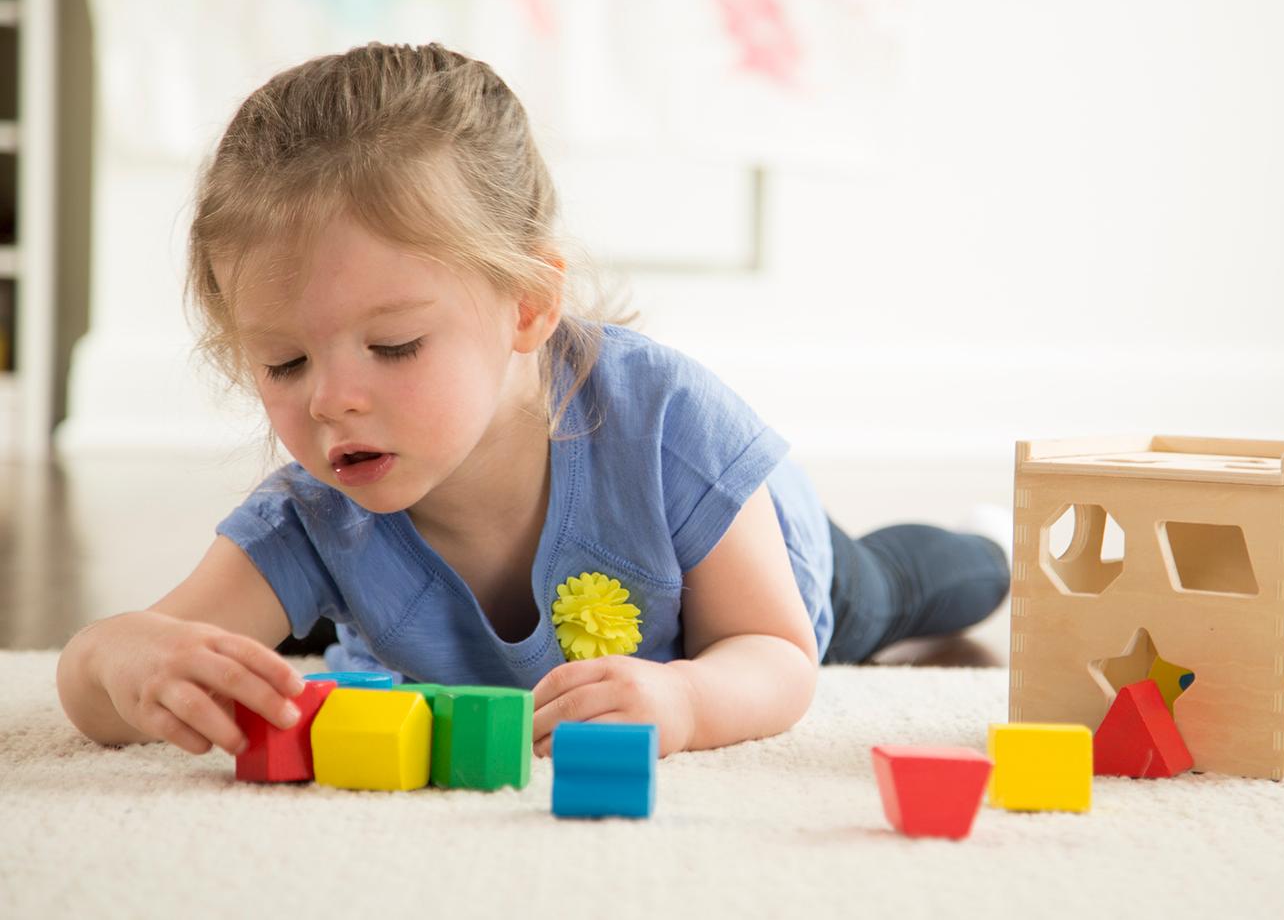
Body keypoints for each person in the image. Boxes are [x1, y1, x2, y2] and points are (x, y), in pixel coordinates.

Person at [55, 43, 1009, 760]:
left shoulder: (668, 423)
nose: (334, 400)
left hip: (755, 570)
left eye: (394, 346)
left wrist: (684, 701)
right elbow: (104, 665)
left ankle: (987, 549)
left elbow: (771, 653)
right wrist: (126, 666)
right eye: (284, 363)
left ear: (527, 304)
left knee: (899, 589)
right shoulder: (312, 516)